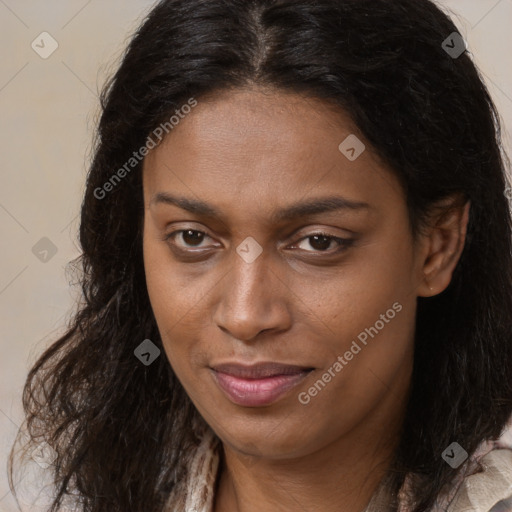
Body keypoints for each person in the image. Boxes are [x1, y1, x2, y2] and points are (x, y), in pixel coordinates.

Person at [9, 0, 512, 511]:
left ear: (438, 245)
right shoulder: (58, 494)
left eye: (318, 242)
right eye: (191, 237)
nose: (246, 316)